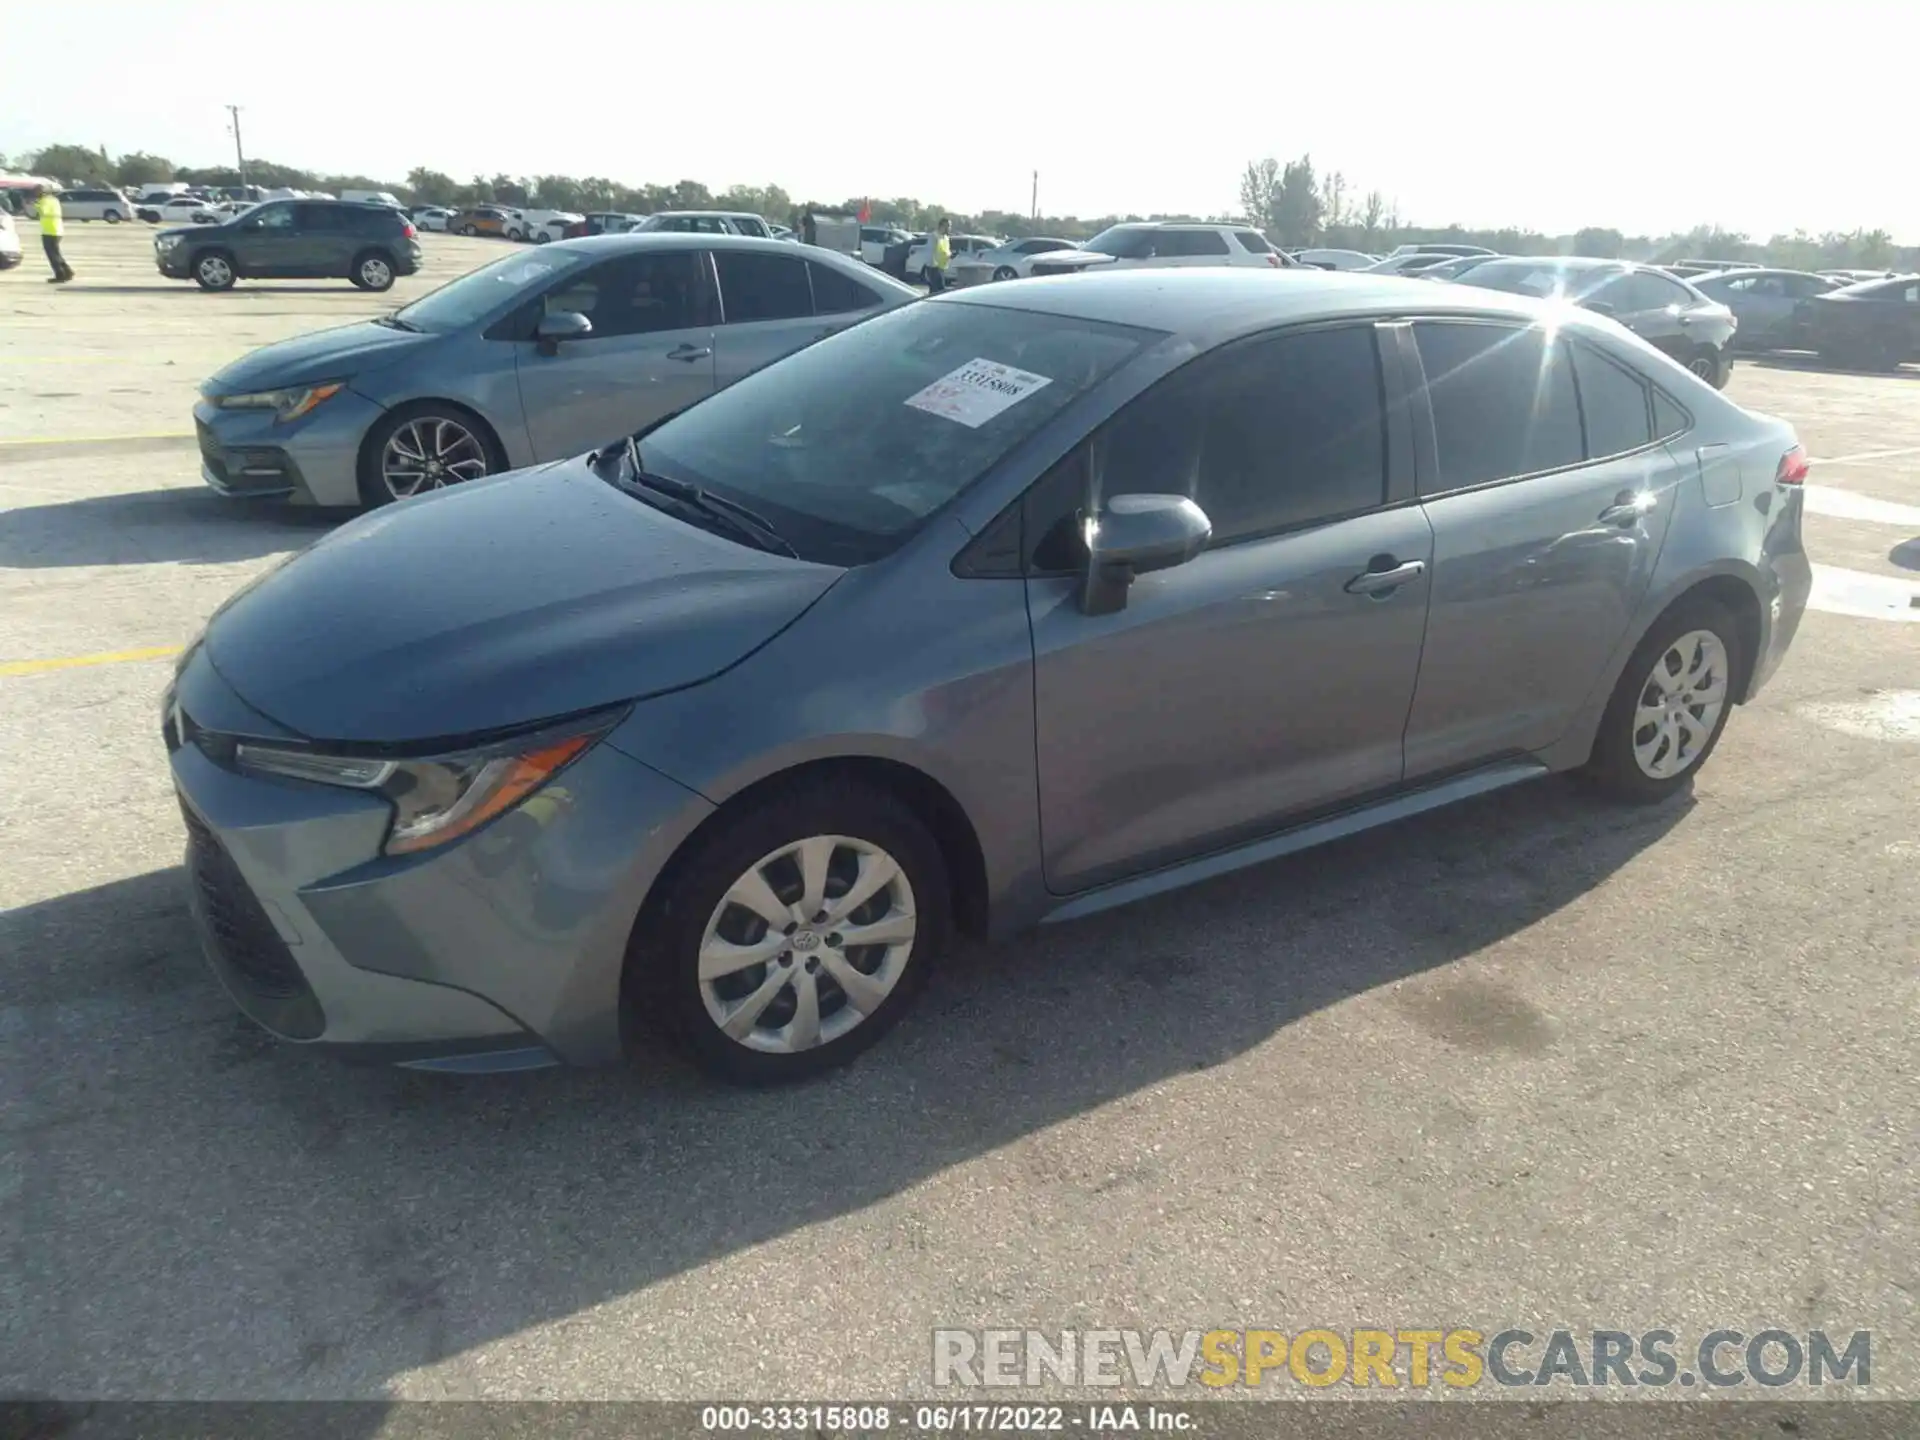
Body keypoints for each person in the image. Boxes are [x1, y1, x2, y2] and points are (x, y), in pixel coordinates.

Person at [33, 186, 73, 284]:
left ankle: (60, 275)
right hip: (57, 229)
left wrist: (35, 205)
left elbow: (43, 212)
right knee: (56, 253)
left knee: (52, 254)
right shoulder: (54, 200)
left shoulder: (44, 201)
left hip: (49, 231)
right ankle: (67, 271)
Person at [927, 217, 952, 293]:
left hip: (942, 268)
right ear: (942, 226)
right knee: (937, 291)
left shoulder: (946, 238)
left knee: (938, 291)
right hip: (934, 268)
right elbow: (931, 252)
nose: (949, 228)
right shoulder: (934, 236)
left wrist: (949, 256)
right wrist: (933, 267)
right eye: (948, 226)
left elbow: (945, 250)